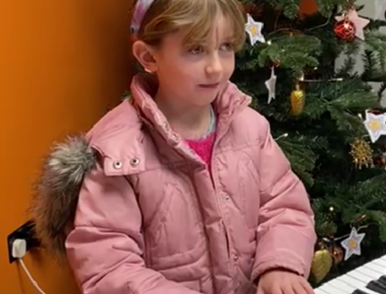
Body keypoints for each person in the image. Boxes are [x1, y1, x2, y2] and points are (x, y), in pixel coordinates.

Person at [31, 0, 316, 293]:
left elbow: (284, 206)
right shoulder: (117, 154)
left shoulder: (250, 127)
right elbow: (110, 269)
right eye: (196, 49)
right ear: (148, 56)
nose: (216, 67)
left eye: (226, 46)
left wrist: (279, 265)